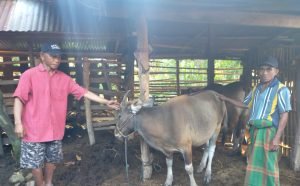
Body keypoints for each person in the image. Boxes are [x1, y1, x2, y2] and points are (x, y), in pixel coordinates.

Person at [13, 43, 120, 186]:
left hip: (55, 130)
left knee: (52, 160)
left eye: (59, 57)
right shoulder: (29, 75)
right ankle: (40, 184)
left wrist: (105, 101)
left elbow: (84, 92)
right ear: (42, 56)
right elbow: (19, 98)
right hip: (34, 130)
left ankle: (49, 182)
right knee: (35, 163)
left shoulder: (64, 79)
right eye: (53, 56)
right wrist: (18, 123)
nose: (57, 60)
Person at [243, 56, 292, 186]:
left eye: (269, 69)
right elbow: (244, 104)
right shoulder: (256, 89)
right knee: (254, 163)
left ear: (276, 71)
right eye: (262, 69)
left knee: (269, 165)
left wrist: (277, 138)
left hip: (269, 133)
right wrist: (223, 98)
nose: (264, 72)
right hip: (255, 132)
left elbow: (284, 115)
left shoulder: (282, 90)